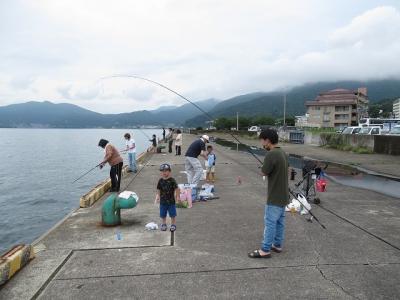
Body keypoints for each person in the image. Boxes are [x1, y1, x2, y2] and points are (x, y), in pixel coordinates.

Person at [248, 129, 289, 258]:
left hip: (274, 196)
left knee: (270, 223)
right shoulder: (282, 152)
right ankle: (277, 245)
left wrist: (263, 167)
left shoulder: (271, 154)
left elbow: (264, 172)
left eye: (262, 140)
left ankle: (265, 250)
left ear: (267, 140)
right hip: (283, 196)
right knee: (280, 222)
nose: (262, 143)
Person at [155, 163, 179, 232]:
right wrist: (158, 196)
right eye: (162, 171)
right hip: (163, 202)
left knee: (172, 214)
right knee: (163, 214)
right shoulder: (160, 180)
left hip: (171, 201)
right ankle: (164, 224)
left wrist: (177, 197)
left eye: (165, 171)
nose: (164, 172)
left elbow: (177, 189)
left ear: (169, 171)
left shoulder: (172, 180)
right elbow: (159, 189)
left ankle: (173, 224)